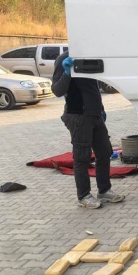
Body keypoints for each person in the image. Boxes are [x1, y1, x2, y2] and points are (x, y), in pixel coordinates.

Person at [51, 50, 125, 209]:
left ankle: (104, 190)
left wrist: (101, 108)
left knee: (105, 152)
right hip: (78, 116)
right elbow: (57, 90)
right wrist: (67, 72)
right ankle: (83, 196)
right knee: (82, 157)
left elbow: (93, 88)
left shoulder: (89, 57)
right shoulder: (65, 59)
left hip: (95, 115)